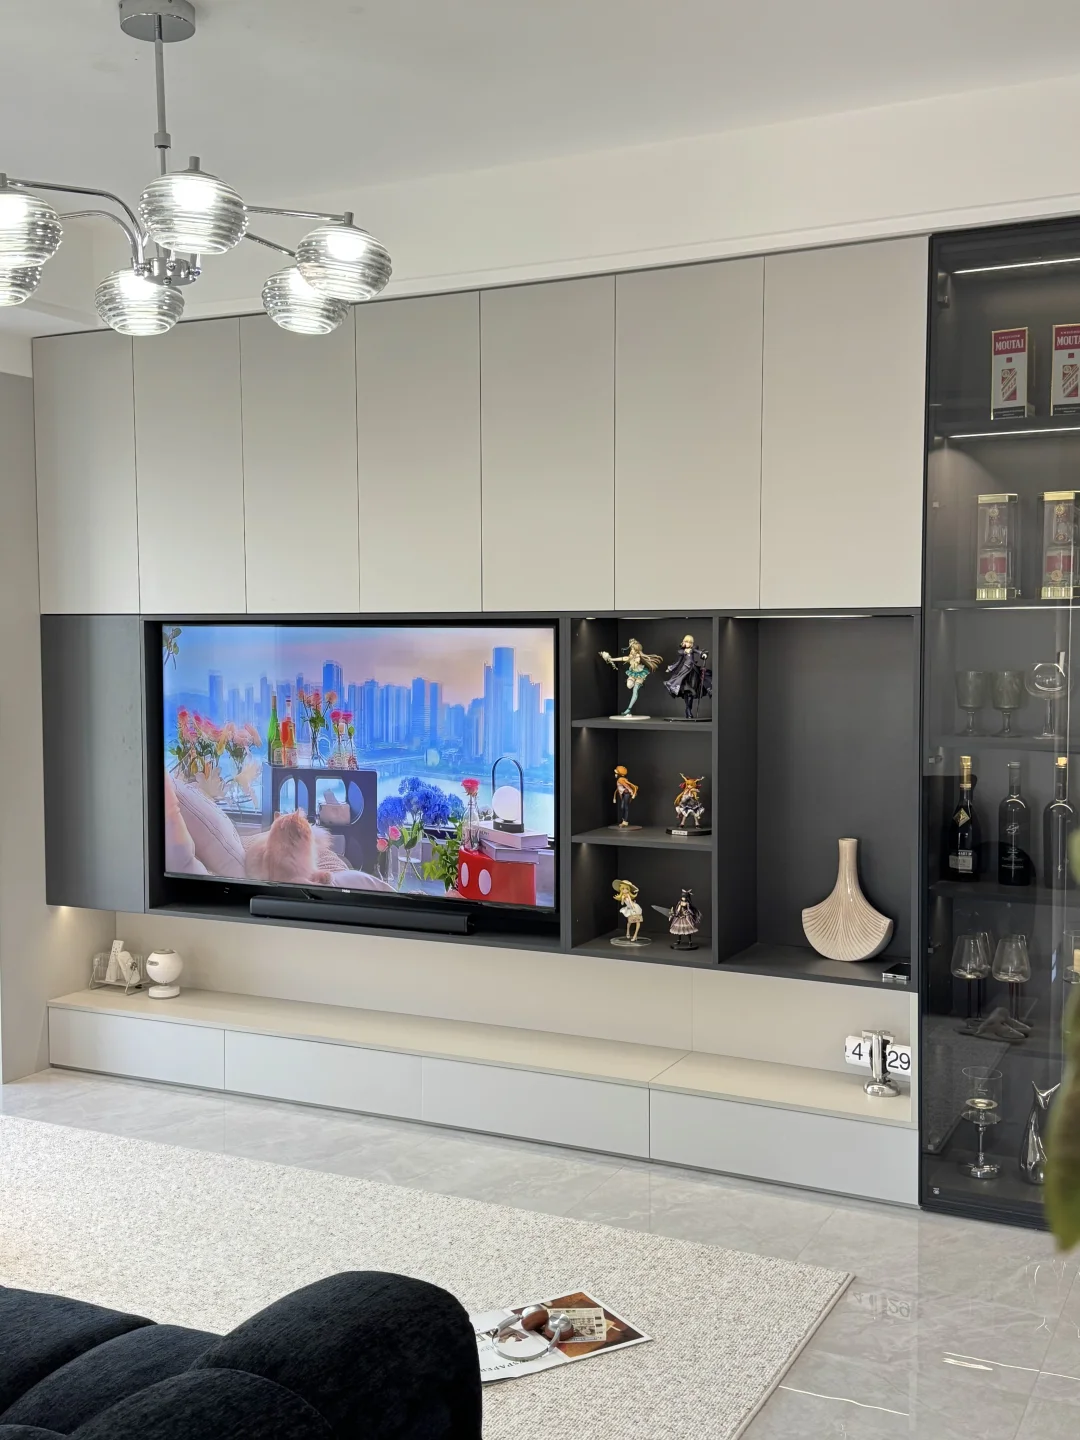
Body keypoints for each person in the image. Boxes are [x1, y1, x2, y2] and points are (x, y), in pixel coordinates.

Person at [600, 639, 663, 716]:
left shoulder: (638, 658)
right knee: (629, 685)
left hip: (640, 674)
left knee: (635, 690)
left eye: (633, 649)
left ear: (637, 651)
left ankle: (628, 709)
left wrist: (633, 659)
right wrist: (611, 659)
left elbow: (633, 662)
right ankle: (636, 684)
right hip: (633, 673)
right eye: (631, 649)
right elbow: (622, 658)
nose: (631, 650)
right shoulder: (630, 657)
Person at [663, 635, 712, 720]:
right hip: (685, 671)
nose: (688, 644)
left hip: (693, 670)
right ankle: (688, 709)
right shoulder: (682, 652)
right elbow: (678, 662)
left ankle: (707, 689)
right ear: (683, 642)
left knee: (700, 681)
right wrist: (671, 668)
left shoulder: (692, 650)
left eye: (690, 642)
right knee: (687, 691)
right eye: (686, 642)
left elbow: (699, 652)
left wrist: (703, 654)